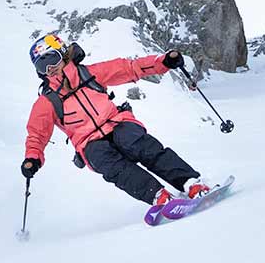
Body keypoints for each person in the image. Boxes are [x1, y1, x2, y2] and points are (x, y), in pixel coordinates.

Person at [19, 32, 216, 209]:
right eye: (42, 66)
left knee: (136, 142)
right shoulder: (47, 101)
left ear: (63, 54)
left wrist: (163, 62)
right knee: (109, 162)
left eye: (52, 60)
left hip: (116, 122)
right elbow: (37, 133)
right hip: (89, 142)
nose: (50, 69)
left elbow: (129, 68)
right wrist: (32, 159)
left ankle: (190, 182)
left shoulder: (89, 73)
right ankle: (159, 197)